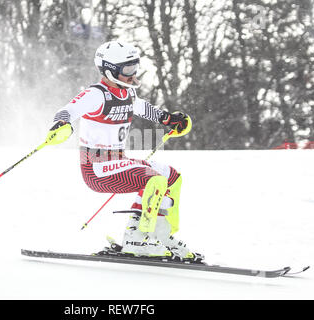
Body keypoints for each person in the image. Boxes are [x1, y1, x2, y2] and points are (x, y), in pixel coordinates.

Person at [48, 40, 203, 262]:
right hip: (96, 168)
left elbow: (144, 109)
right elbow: (68, 110)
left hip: (117, 162)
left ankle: (161, 234)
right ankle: (137, 239)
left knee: (172, 177)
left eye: (135, 67)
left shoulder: (128, 94)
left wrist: (169, 119)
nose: (133, 74)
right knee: (156, 180)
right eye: (127, 69)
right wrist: (61, 124)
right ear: (109, 70)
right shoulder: (96, 95)